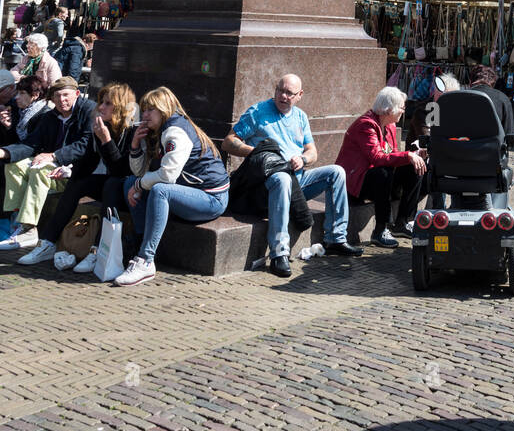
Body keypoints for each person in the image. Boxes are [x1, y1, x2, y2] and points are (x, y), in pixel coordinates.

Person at [224, 73, 362, 277]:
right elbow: (228, 142)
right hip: (268, 182)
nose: (283, 96)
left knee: (336, 172)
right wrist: (256, 152)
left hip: (298, 179)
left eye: (289, 93)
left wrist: (303, 159)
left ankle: (336, 238)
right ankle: (279, 253)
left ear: (300, 95)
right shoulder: (258, 112)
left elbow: (312, 152)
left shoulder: (300, 117)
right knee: (282, 179)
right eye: (280, 90)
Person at [115, 87, 230, 288]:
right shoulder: (157, 130)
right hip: (187, 191)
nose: (145, 114)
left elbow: (167, 176)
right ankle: (141, 241)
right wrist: (135, 145)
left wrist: (140, 185)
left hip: (211, 199)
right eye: (144, 109)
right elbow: (139, 173)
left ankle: (146, 260)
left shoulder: (175, 131)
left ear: (164, 109)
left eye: (151, 109)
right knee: (128, 184)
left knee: (161, 190)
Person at [18, 83, 137, 270]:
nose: (101, 108)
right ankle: (48, 242)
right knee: (78, 182)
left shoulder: (132, 130)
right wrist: (69, 171)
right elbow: (88, 162)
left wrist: (106, 140)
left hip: (132, 191)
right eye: (101, 103)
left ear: (120, 107)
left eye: (107, 104)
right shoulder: (101, 126)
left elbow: (121, 171)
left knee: (112, 184)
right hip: (114, 183)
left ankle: (97, 251)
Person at [0, 78, 97, 252]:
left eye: (66, 95)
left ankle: (29, 228)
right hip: (53, 165)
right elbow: (32, 144)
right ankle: (18, 223)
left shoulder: (89, 110)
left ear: (77, 93)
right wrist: (4, 152)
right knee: (13, 166)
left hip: (75, 171)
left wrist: (54, 155)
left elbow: (85, 144)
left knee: (40, 170)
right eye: (57, 96)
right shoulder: (50, 116)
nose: (62, 100)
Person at [336, 88, 427, 247]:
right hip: (356, 183)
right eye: (401, 107)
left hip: (376, 179)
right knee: (383, 173)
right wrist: (407, 156)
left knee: (415, 166)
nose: (404, 110)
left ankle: (402, 222)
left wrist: (414, 155)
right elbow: (377, 158)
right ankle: (380, 230)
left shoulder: (389, 124)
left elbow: (392, 155)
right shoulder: (366, 125)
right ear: (389, 109)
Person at [468, 64, 514, 140]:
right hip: (492, 148)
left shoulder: (459, 97)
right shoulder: (502, 98)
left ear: (471, 80)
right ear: (493, 81)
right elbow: (509, 134)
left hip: (462, 148)